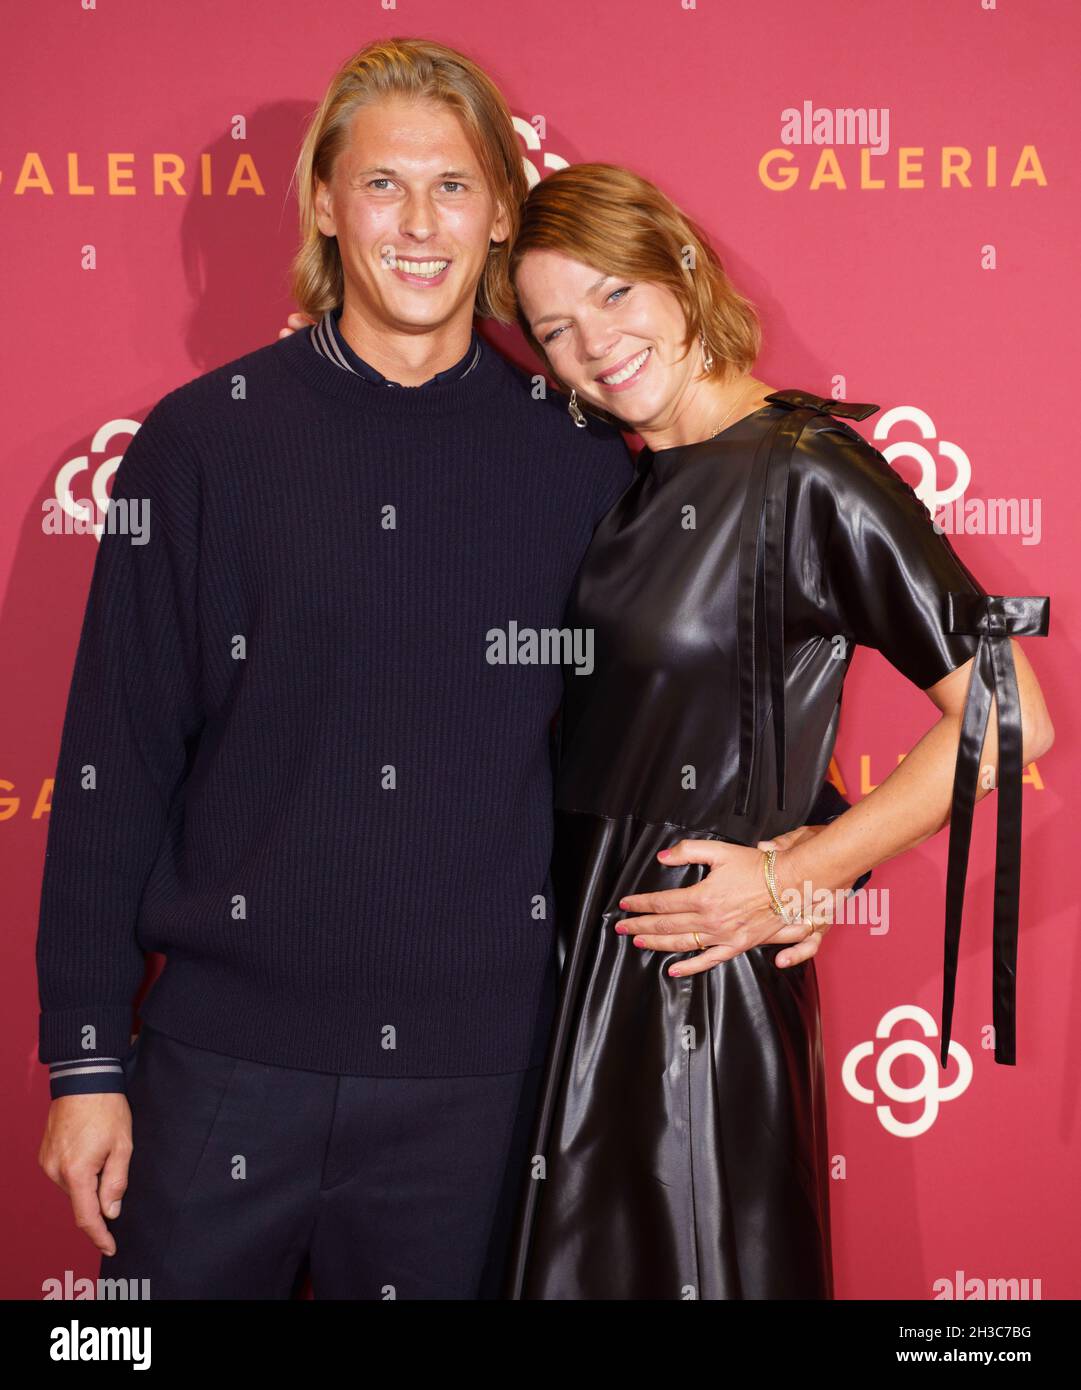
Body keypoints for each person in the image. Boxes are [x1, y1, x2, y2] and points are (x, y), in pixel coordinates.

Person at [495, 162, 1054, 1299]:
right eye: (553, 329)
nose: (592, 344)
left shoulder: (807, 470)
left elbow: (1010, 714)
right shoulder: (621, 481)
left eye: (612, 294)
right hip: (570, 973)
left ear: (679, 266)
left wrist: (803, 869)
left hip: (694, 977)